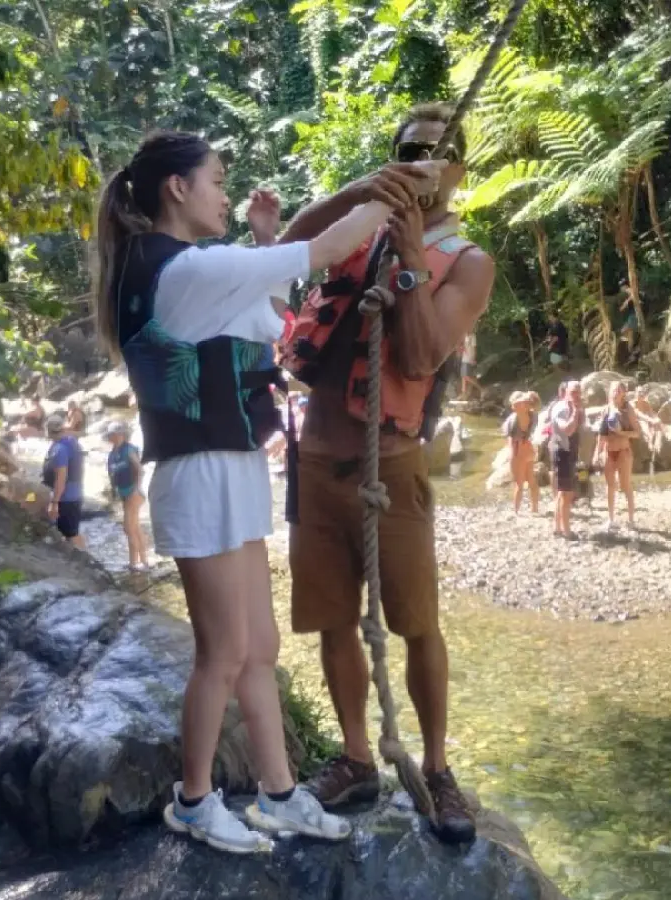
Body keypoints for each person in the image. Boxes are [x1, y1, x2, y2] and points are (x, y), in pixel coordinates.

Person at [93, 129, 438, 851]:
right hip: (199, 472)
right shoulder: (182, 269)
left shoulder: (183, 268)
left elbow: (264, 314)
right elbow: (325, 250)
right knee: (221, 653)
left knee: (260, 646)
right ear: (176, 189)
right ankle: (193, 800)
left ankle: (280, 795)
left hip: (232, 465)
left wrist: (264, 237)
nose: (226, 192)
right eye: (216, 180)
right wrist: (397, 187)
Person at [281, 103, 495, 845]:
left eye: (433, 153)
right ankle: (355, 756)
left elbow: (419, 357)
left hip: (391, 466)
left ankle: (436, 767)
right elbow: (286, 248)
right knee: (332, 619)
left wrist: (407, 262)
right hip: (316, 460)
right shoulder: (356, 231)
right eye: (407, 150)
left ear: (456, 167)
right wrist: (354, 195)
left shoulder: (466, 260)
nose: (419, 163)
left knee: (416, 624)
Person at [595, 381, 640, 531]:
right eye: (613, 389)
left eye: (619, 390)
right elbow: (601, 435)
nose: (615, 392)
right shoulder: (606, 410)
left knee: (625, 484)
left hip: (623, 451)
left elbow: (637, 433)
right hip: (609, 451)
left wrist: (622, 433)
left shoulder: (628, 410)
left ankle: (631, 519)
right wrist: (597, 452)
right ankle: (611, 519)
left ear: (623, 394)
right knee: (610, 486)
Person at [106, 420, 150, 570]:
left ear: (122, 435)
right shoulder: (112, 453)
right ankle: (143, 562)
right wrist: (113, 492)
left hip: (133, 491)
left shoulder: (128, 450)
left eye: (114, 434)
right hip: (123, 492)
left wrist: (136, 488)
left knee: (128, 527)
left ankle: (135, 563)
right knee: (134, 527)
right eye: (110, 435)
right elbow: (112, 474)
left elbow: (140, 470)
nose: (112, 437)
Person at [42, 414, 87, 550]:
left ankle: (86, 563)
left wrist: (54, 502)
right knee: (71, 531)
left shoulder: (60, 449)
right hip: (76, 494)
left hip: (66, 498)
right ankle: (83, 560)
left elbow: (61, 477)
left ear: (49, 431)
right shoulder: (72, 442)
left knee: (70, 534)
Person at [548, 381, 584, 539]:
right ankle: (567, 531)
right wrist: (576, 412)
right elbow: (568, 430)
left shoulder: (573, 408)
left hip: (569, 452)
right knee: (566, 492)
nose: (576, 395)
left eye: (578, 392)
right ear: (566, 393)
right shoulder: (562, 409)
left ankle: (557, 527)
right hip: (562, 452)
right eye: (573, 392)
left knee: (563, 492)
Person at [503, 391, 539, 515]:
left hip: (521, 450)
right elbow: (511, 441)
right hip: (524, 449)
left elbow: (510, 439)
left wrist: (512, 455)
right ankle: (529, 509)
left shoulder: (518, 418)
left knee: (522, 482)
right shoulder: (531, 416)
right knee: (527, 481)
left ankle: (519, 511)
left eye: (523, 402)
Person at [459, 332, 481, 400]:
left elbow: (474, 348)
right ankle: (463, 394)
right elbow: (462, 347)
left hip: (469, 359)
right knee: (463, 377)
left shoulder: (472, 336)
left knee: (466, 376)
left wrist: (473, 359)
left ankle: (480, 388)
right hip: (464, 359)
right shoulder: (464, 335)